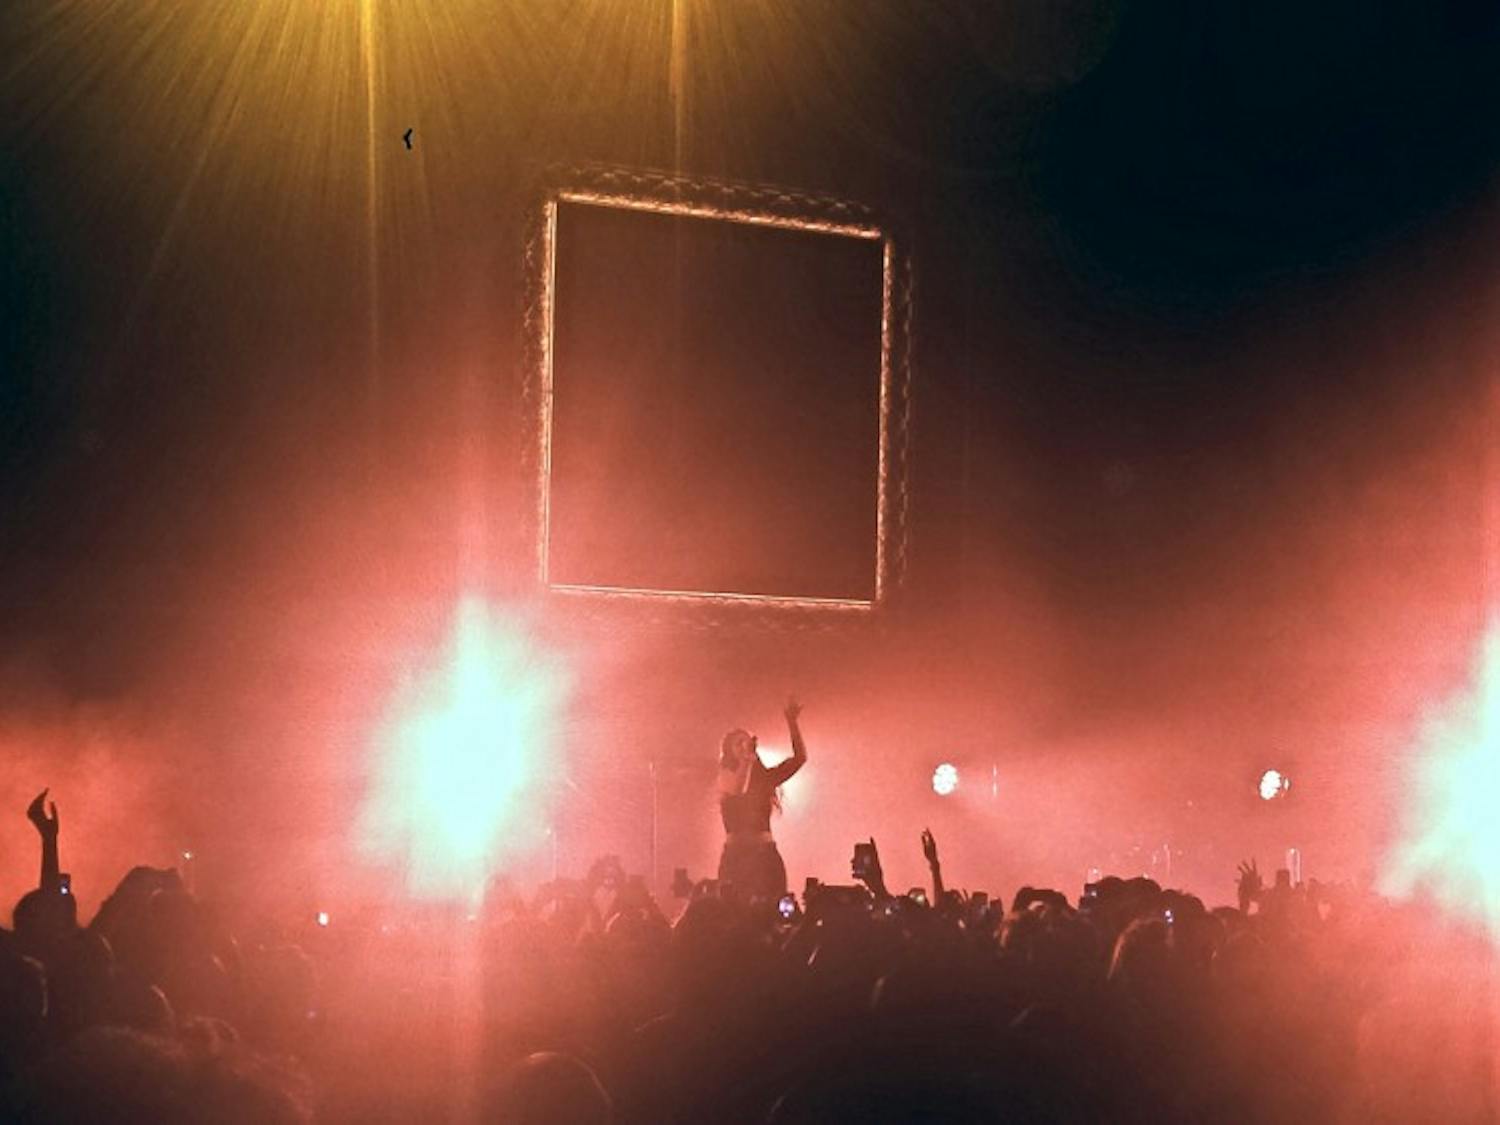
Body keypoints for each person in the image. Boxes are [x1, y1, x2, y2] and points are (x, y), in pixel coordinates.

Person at [715, 699, 806, 904]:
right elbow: (738, 789)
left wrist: (792, 723)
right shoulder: (725, 776)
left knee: (774, 907)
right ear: (729, 751)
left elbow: (800, 758)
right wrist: (746, 760)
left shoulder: (765, 779)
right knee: (733, 909)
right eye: (738, 744)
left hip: (765, 855)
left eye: (746, 742)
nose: (744, 747)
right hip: (737, 857)